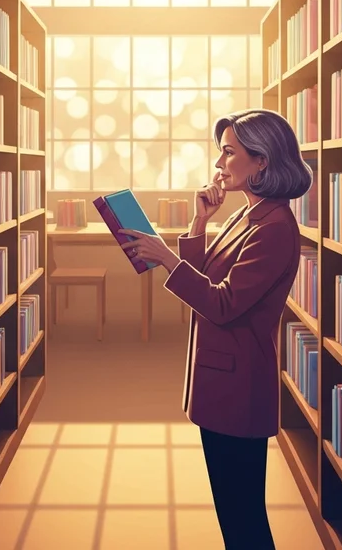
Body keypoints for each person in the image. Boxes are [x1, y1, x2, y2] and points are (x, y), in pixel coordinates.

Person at [120, 108, 313, 550]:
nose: (219, 163)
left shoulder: (275, 227)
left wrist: (167, 258)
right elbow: (206, 276)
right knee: (234, 510)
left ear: (261, 160)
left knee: (242, 516)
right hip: (221, 378)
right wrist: (200, 221)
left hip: (239, 384)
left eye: (228, 152)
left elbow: (222, 303)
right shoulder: (247, 215)